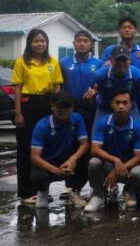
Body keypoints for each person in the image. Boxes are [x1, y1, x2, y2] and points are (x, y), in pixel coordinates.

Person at [12, 29, 64, 205]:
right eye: (36, 41)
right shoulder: (22, 62)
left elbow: (57, 87)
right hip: (28, 105)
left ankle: (42, 190)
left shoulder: (52, 62)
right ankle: (26, 192)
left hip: (48, 105)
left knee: (44, 149)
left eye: (43, 41)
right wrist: (18, 112)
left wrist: (56, 109)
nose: (40, 44)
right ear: (30, 43)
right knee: (26, 149)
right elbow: (17, 89)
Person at [85, 90, 140, 211]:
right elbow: (94, 149)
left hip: (128, 167)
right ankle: (98, 195)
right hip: (108, 164)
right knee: (94, 162)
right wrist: (115, 160)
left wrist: (117, 169)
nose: (121, 106)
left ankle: (129, 191)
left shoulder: (138, 126)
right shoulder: (102, 123)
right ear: (112, 104)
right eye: (117, 103)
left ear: (130, 105)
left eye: (125, 103)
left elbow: (139, 157)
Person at [30, 92, 89, 209]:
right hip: (48, 163)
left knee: (89, 160)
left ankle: (74, 191)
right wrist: (55, 170)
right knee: (37, 174)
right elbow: (34, 157)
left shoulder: (77, 119)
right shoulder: (42, 125)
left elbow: (85, 144)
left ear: (72, 107)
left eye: (67, 107)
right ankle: (42, 192)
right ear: (52, 106)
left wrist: (73, 159)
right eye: (59, 107)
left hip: (69, 161)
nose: (63, 110)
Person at [92, 45, 140, 120]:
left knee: (138, 129)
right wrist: (90, 98)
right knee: (97, 130)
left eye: (124, 60)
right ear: (110, 60)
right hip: (105, 108)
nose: (121, 63)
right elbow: (90, 99)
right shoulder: (100, 75)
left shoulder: (137, 75)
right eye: (118, 60)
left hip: (130, 109)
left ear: (129, 60)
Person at [60, 30, 101, 131]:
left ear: (91, 44)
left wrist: (95, 93)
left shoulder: (99, 63)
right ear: (74, 44)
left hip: (91, 108)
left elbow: (102, 86)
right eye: (79, 41)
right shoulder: (63, 63)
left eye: (85, 41)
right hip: (69, 108)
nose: (82, 44)